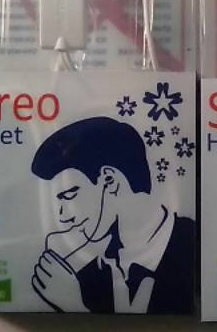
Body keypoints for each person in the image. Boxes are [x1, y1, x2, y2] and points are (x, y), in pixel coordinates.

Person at [30, 116, 194, 313]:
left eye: (69, 195)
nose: (63, 216)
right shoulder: (88, 274)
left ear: (109, 181)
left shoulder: (197, 246)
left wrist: (74, 306)